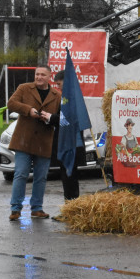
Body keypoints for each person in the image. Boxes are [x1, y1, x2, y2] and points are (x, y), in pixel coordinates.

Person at [7, 65, 61, 221]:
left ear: (49, 77)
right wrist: (28, 110)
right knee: (21, 174)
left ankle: (37, 208)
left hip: (44, 141)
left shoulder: (56, 95)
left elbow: (59, 117)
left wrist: (49, 118)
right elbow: (11, 103)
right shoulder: (24, 88)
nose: (39, 77)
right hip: (24, 140)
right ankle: (15, 209)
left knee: (41, 177)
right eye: (37, 74)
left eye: (43, 75)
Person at [50, 70, 84, 205]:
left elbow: (67, 121)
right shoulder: (68, 96)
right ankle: (70, 204)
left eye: (59, 84)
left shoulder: (71, 97)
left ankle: (72, 205)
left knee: (70, 176)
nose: (58, 87)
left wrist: (50, 118)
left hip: (70, 143)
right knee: (67, 176)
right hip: (66, 142)